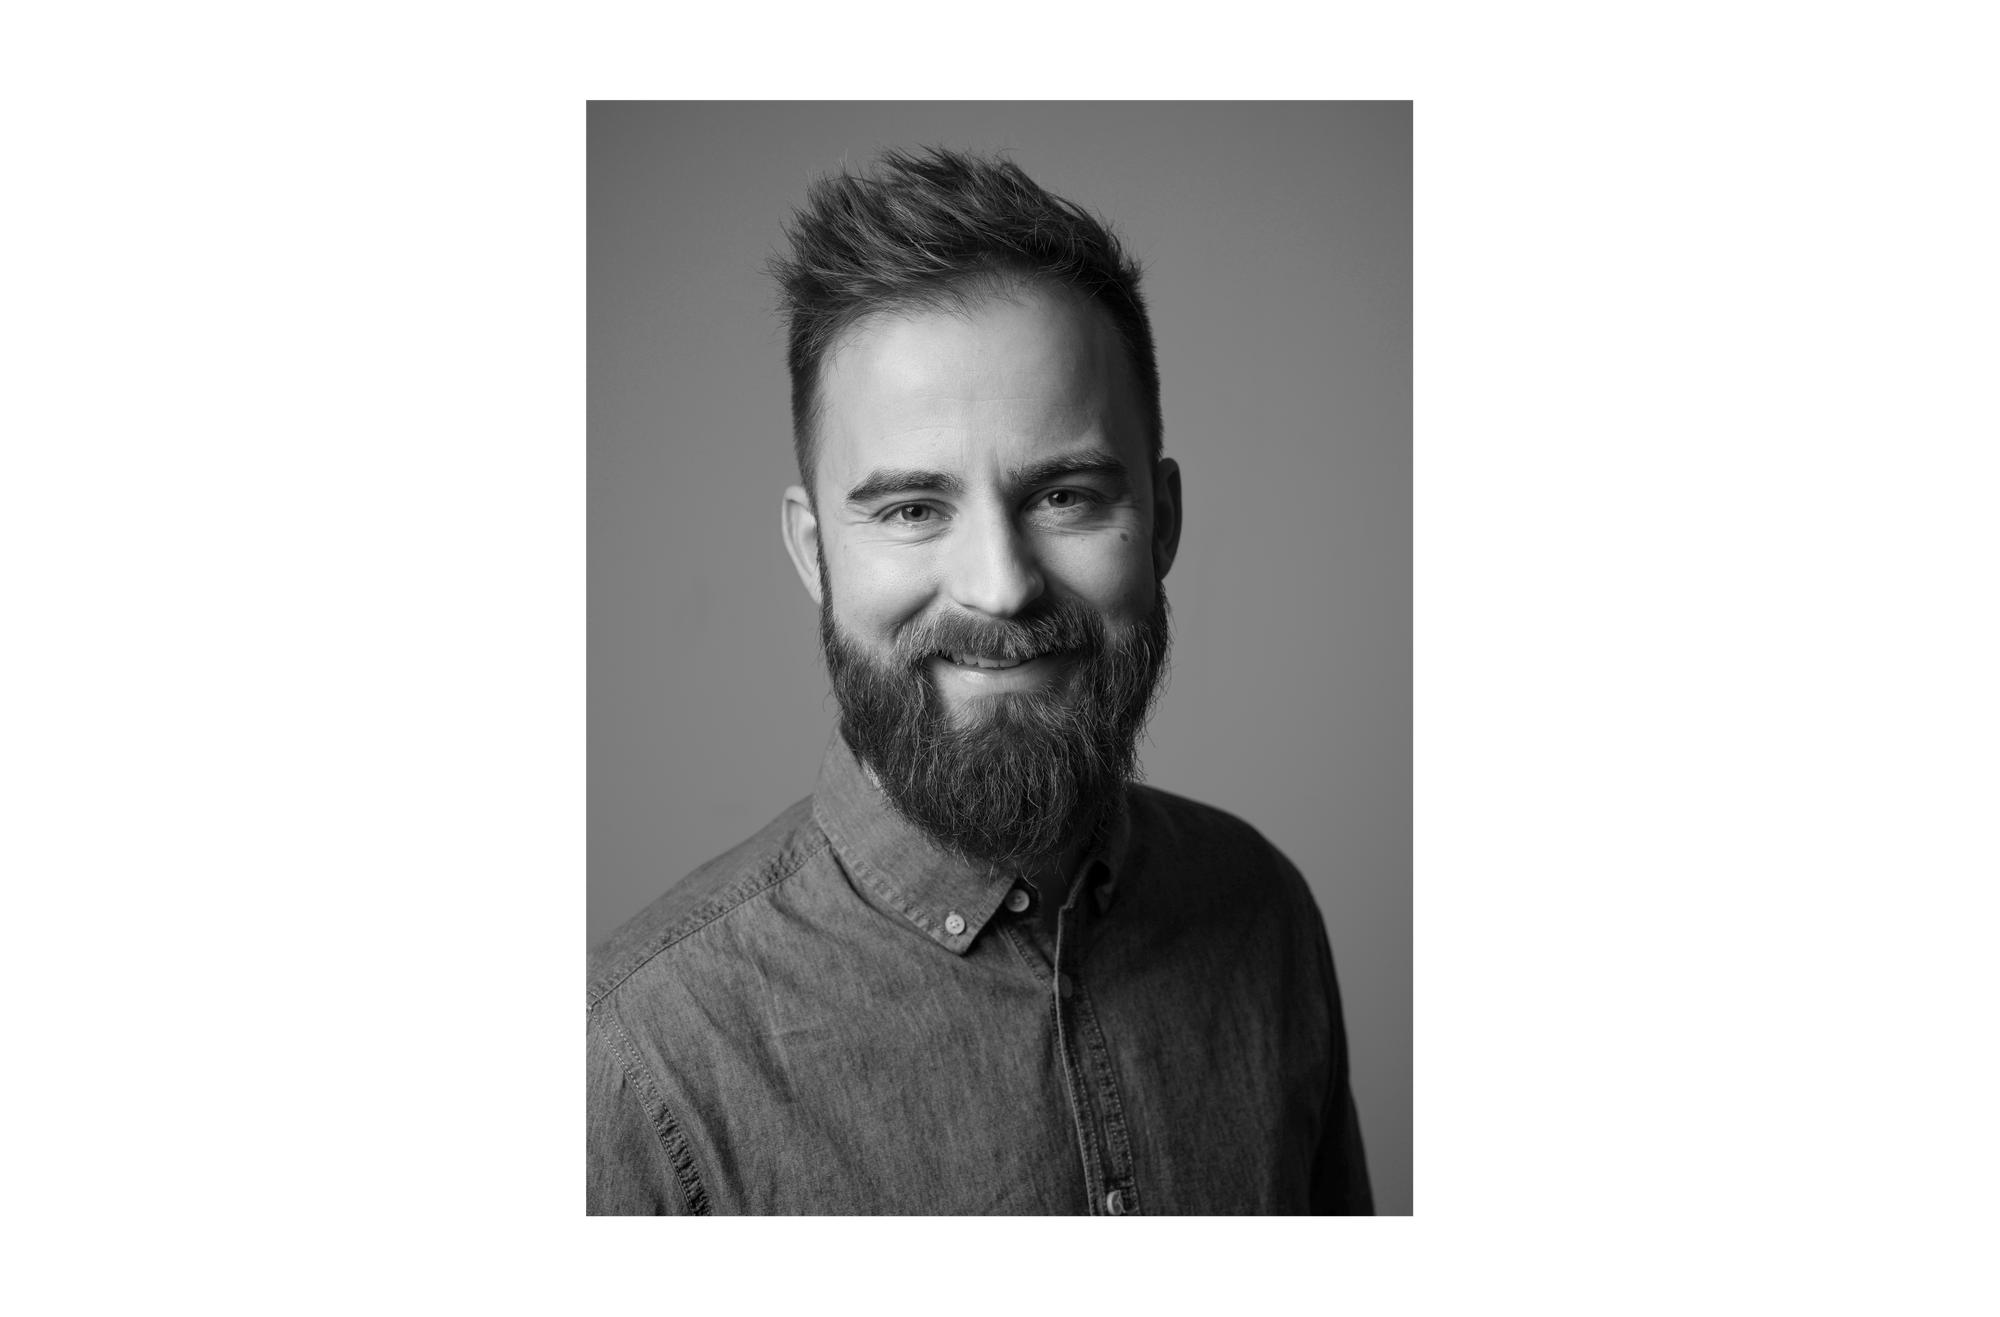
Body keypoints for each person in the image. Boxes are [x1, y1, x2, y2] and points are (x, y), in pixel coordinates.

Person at [585, 147, 1372, 1218]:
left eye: (1065, 496)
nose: (1000, 587)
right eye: (912, 509)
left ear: (1163, 522)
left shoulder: (1263, 911)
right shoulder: (639, 1065)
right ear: (815, 553)